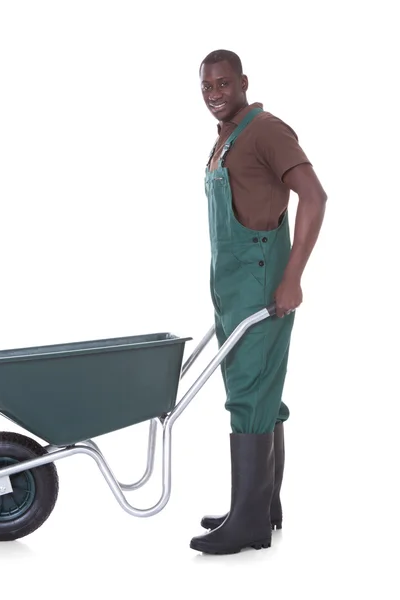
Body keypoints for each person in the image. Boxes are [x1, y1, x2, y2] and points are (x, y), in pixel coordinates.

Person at [189, 49, 327, 555]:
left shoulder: (267, 131)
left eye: (223, 85)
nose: (214, 95)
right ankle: (261, 507)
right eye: (206, 87)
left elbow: (314, 197)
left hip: (263, 284)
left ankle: (247, 524)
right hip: (233, 287)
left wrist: (292, 279)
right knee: (260, 393)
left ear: (243, 82)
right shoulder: (227, 139)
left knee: (249, 396)